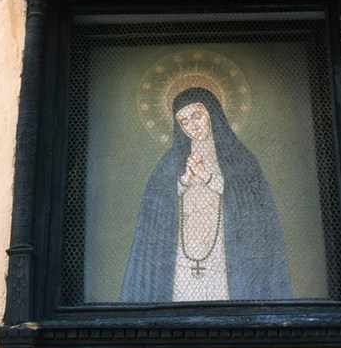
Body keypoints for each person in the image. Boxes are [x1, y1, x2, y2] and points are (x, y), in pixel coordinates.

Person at [120, 87, 291, 303]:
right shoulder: (171, 161)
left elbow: (253, 204)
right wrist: (183, 181)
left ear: (212, 114)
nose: (192, 126)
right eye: (184, 121)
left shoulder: (240, 157)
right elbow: (155, 204)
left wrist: (209, 178)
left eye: (196, 116)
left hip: (225, 249)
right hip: (182, 254)